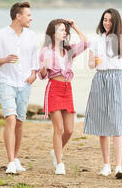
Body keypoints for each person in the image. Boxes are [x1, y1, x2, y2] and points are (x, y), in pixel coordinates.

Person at [83, 8, 122, 179]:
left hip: (118, 79)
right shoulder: (96, 40)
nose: (106, 23)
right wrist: (94, 62)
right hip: (99, 79)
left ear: (116, 22)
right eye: (104, 20)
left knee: (118, 123)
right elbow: (90, 65)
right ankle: (106, 165)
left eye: (109, 20)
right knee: (102, 122)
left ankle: (119, 166)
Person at [0, 2, 38, 174]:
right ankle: (10, 162)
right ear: (18, 16)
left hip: (24, 83)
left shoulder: (31, 36)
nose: (31, 18)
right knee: (10, 118)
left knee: (20, 122)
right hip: (6, 81)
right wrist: (5, 59)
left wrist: (34, 73)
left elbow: (34, 60)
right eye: (28, 15)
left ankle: (15, 158)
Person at [38, 19, 89, 175]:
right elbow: (42, 74)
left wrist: (74, 26)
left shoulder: (68, 51)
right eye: (61, 30)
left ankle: (56, 151)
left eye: (65, 30)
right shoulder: (45, 51)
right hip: (54, 88)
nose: (64, 32)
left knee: (69, 130)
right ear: (53, 34)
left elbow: (86, 43)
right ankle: (59, 163)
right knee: (58, 129)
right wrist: (45, 67)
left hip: (67, 89)